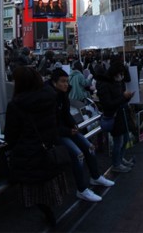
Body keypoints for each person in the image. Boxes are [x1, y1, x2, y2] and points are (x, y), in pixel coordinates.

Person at [4, 66, 70, 226]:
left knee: (34, 190)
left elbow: (10, 137)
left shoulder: (16, 105)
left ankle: (47, 215)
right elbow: (54, 123)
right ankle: (51, 214)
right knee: (46, 186)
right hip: (48, 151)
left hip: (29, 158)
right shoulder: (50, 98)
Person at [48, 68, 114, 202]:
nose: (66, 84)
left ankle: (95, 177)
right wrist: (68, 131)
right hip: (57, 134)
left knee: (90, 147)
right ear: (54, 83)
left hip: (67, 129)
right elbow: (50, 124)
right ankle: (82, 189)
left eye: (67, 81)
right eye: (62, 82)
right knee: (78, 155)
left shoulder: (63, 94)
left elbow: (66, 113)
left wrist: (73, 125)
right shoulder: (48, 98)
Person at [95, 61, 136, 173]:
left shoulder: (116, 82)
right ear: (114, 73)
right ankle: (116, 164)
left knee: (125, 139)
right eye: (120, 73)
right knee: (119, 141)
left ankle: (120, 159)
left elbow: (120, 98)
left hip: (122, 114)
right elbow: (108, 104)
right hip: (114, 116)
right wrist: (124, 97)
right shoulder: (104, 84)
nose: (121, 76)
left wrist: (127, 97)